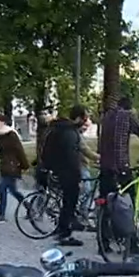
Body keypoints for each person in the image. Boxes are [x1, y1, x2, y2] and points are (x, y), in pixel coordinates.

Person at [98, 97, 139, 253]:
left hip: (105, 167)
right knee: (130, 204)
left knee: (106, 203)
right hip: (121, 168)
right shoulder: (127, 117)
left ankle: (103, 243)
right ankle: (132, 243)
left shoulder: (106, 117)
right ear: (129, 108)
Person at [41, 105, 88, 245]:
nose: (85, 121)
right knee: (69, 203)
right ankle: (65, 234)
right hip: (68, 172)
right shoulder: (70, 132)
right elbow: (71, 156)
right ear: (78, 117)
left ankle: (61, 229)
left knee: (65, 203)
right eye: (84, 117)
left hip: (58, 170)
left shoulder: (58, 128)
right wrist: (77, 174)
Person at [0, 114, 29, 222]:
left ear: (3, 122)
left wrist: (24, 165)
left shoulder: (11, 135)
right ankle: (29, 207)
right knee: (13, 191)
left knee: (2, 189)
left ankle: (2, 214)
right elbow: (1, 152)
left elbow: (19, 150)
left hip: (12, 167)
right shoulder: (1, 135)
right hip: (5, 166)